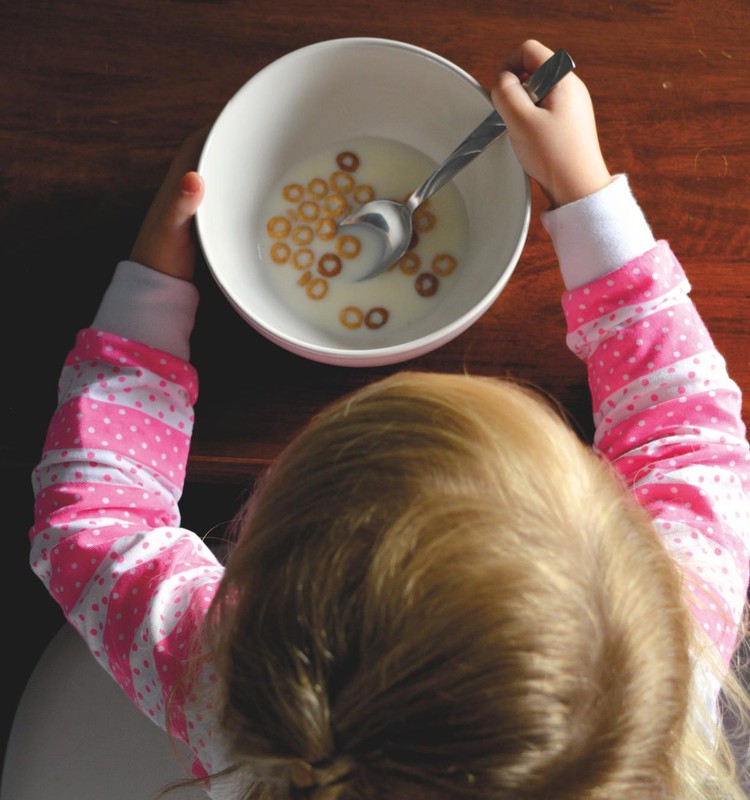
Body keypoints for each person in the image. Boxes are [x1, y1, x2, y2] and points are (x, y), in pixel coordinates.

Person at [29, 38, 750, 800]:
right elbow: (686, 428)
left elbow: (93, 519)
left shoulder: (223, 687)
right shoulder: (670, 652)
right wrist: (584, 190)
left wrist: (150, 288)